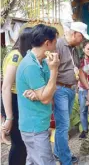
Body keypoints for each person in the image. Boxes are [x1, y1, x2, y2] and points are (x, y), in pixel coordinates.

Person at [16, 24, 59, 165]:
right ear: (47, 43)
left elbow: (51, 91)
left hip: (39, 124)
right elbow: (46, 98)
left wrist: (39, 94)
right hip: (34, 127)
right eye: (55, 42)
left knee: (33, 161)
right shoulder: (31, 66)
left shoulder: (42, 63)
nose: (55, 47)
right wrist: (54, 71)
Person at [53, 22, 89, 165]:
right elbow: (50, 69)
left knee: (63, 124)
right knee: (63, 126)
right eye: (81, 36)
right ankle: (65, 159)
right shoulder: (58, 45)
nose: (82, 40)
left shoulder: (74, 49)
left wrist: (88, 88)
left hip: (70, 90)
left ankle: (58, 153)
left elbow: (79, 71)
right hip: (60, 90)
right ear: (74, 33)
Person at [1, 27, 33, 165]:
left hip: (17, 100)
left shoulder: (22, 54)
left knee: (22, 142)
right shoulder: (17, 56)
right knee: (18, 143)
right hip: (12, 100)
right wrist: (9, 117)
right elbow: (6, 87)